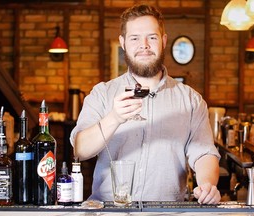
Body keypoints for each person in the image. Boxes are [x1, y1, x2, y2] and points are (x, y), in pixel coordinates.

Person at [70, 4, 221, 204]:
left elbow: (204, 153)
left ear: (163, 41)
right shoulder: (102, 94)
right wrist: (114, 118)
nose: (144, 45)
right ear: (123, 43)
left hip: (166, 210)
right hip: (109, 210)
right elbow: (80, 150)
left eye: (152, 37)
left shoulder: (191, 100)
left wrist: (208, 184)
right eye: (135, 38)